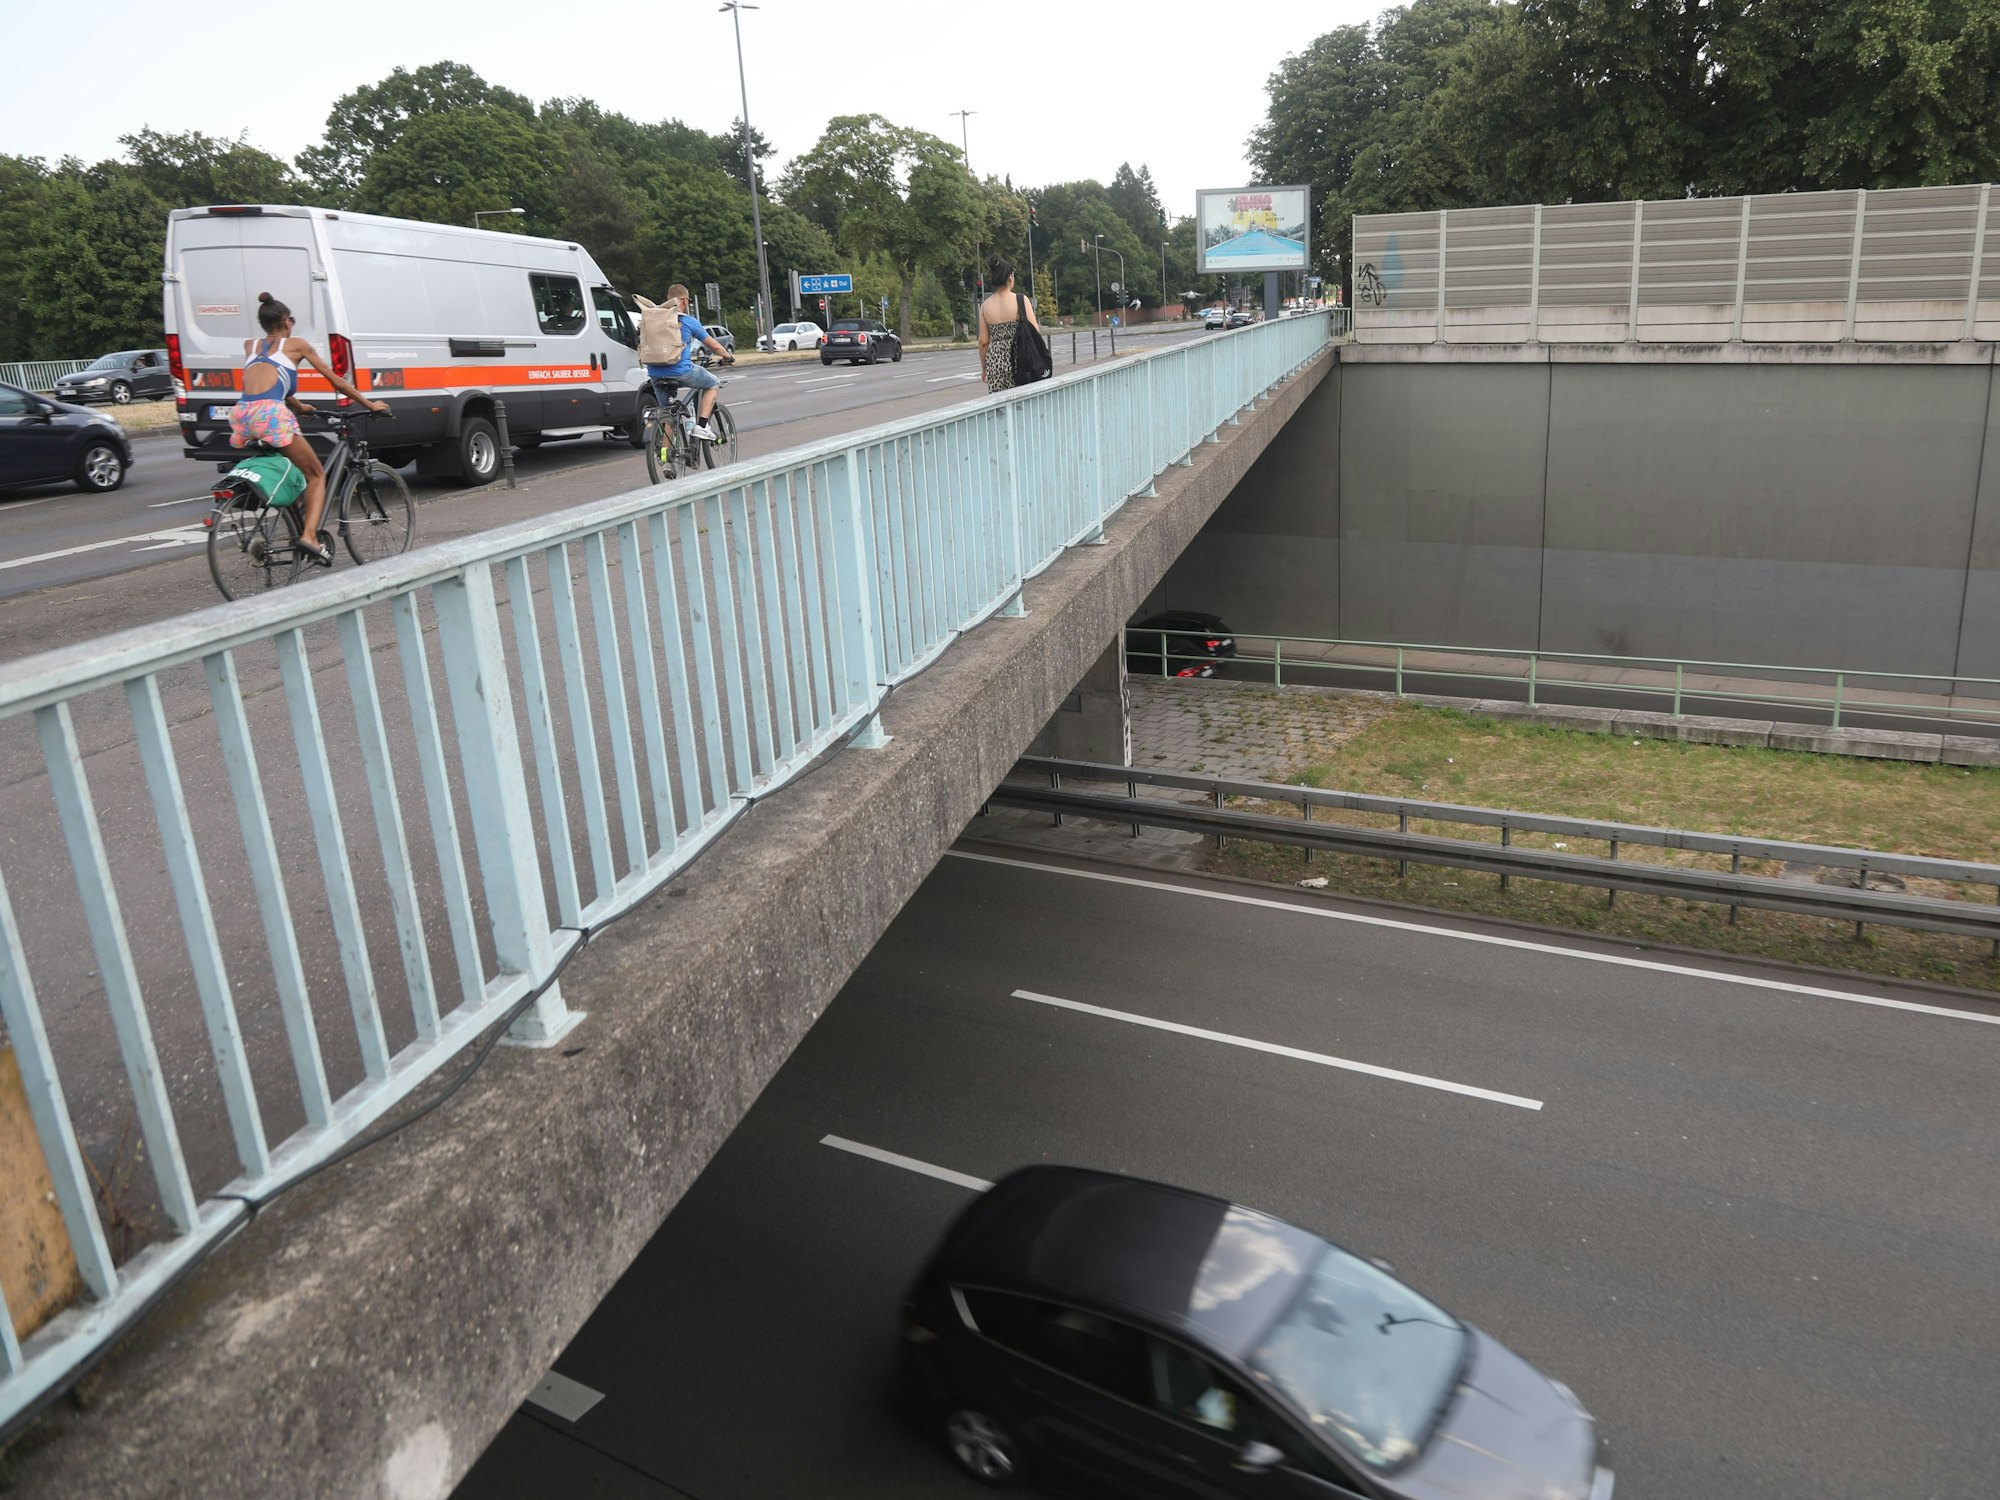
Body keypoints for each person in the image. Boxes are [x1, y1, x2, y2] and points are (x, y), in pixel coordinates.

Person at [231, 293, 387, 566]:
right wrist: (370, 404)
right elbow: (337, 382)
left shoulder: (250, 345)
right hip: (271, 415)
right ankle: (310, 538)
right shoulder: (297, 345)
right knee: (316, 475)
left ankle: (296, 530)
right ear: (286, 321)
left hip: (242, 415)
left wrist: (299, 405)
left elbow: (266, 381)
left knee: (288, 468)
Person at [645, 284, 734, 440]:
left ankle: (666, 459)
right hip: (681, 372)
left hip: (655, 373)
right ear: (685, 301)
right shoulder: (687, 320)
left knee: (668, 414)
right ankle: (702, 426)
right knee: (713, 383)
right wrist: (727, 356)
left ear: (668, 299)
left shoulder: (653, 319)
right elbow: (712, 344)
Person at [976, 257, 1042, 395]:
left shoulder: (985, 306)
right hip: (1021, 360)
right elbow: (1035, 331)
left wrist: (985, 368)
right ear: (1010, 277)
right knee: (1025, 404)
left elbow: (983, 342)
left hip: (996, 363)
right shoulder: (1021, 300)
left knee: (1001, 408)